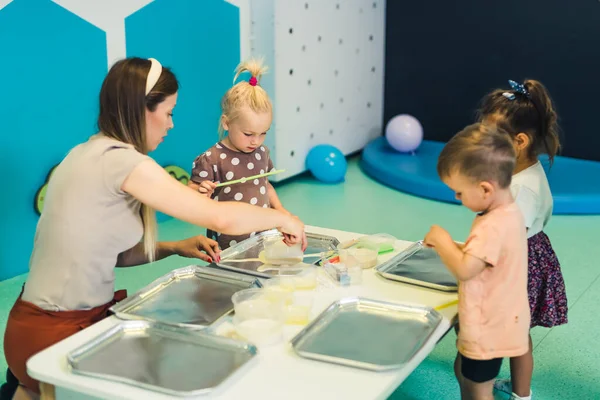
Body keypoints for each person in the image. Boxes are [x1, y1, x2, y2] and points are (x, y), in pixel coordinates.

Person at [2, 57, 305, 400]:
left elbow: (109, 256)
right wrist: (284, 219)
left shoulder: (85, 152)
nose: (171, 125)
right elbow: (219, 218)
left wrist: (174, 246)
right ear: (142, 110)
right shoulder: (125, 163)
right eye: (169, 112)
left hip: (31, 327)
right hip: (54, 334)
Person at [424, 123, 530, 400]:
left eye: (459, 192)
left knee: (478, 389)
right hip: (501, 319)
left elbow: (465, 269)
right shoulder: (509, 210)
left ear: (485, 189)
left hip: (487, 328)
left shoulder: (491, 226)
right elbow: (493, 257)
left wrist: (443, 241)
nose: (457, 199)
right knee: (464, 372)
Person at [478, 79, 568, 400]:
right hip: (527, 252)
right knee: (517, 331)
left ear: (519, 141)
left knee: (514, 333)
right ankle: (519, 389)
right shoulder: (521, 169)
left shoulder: (523, 190)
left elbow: (506, 235)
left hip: (518, 261)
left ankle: (519, 394)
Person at [188, 58, 292, 250]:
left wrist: (282, 213)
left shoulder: (262, 153)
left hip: (263, 233)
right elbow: (191, 192)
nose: (256, 141)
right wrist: (201, 191)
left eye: (263, 133)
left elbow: (265, 186)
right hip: (229, 241)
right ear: (226, 123)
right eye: (248, 134)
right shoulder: (212, 158)